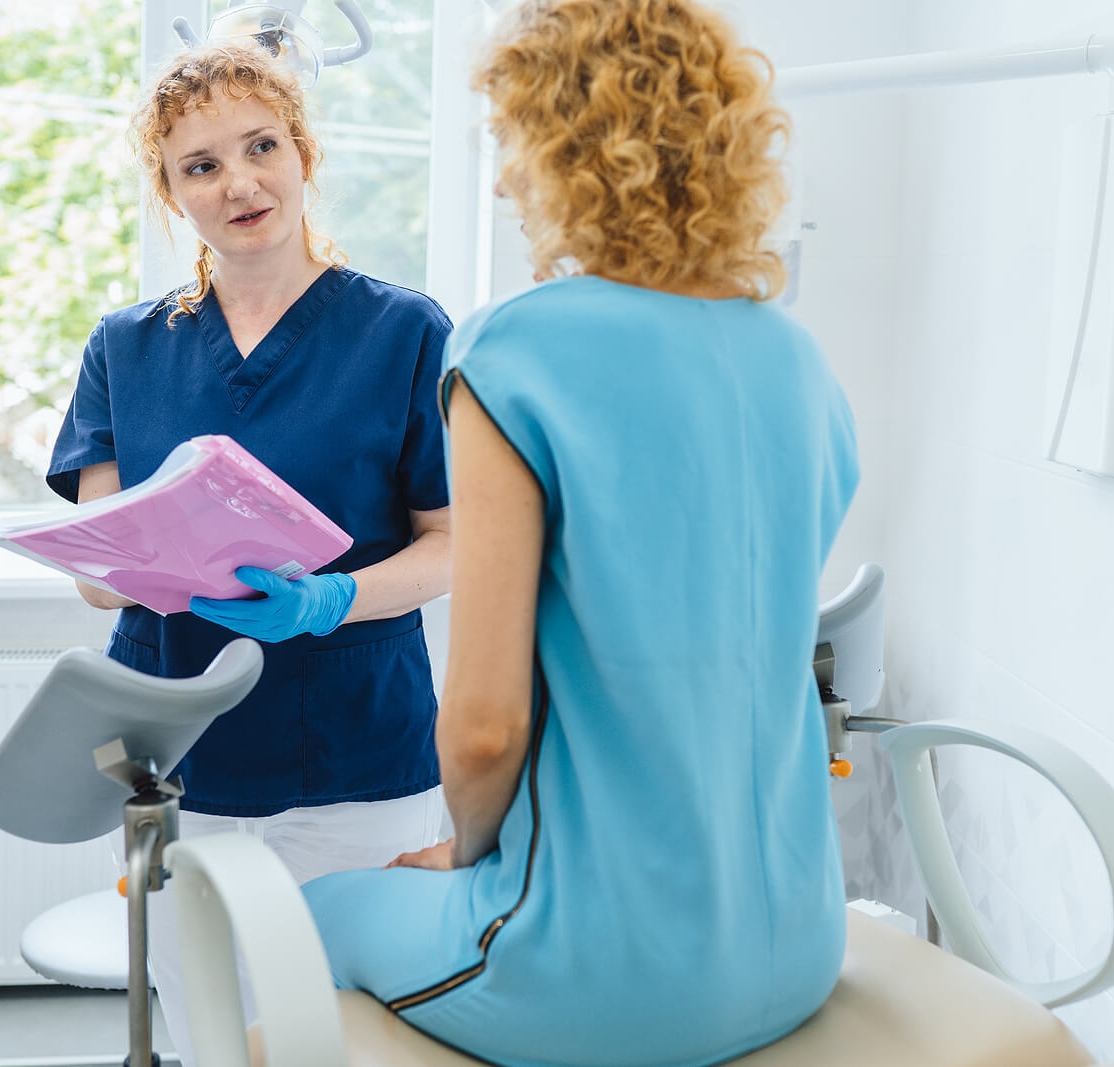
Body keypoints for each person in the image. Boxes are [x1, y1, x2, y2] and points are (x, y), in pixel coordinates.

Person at [297, 0, 861, 1064]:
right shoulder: (799, 363)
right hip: (797, 941)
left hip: (602, 968)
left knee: (309, 911)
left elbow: (482, 730)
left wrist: (463, 857)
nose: (503, 182)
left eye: (512, 141)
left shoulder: (517, 352)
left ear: (574, 149)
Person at [44, 41, 452, 1065]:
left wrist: (329, 599)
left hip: (359, 749)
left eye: (261, 146)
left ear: (304, 152)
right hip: (179, 748)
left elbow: (454, 544)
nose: (240, 182)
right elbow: (97, 568)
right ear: (170, 193)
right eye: (201, 165)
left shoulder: (405, 331)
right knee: (210, 1033)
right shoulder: (124, 346)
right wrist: (123, 566)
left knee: (357, 1032)